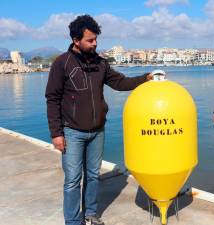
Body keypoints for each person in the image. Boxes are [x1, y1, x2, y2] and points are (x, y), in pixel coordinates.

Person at [45, 15, 152, 225]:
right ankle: (73, 221)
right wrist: (56, 133)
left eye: (95, 39)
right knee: (73, 180)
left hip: (97, 131)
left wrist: (145, 79)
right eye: (90, 40)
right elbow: (52, 99)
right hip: (72, 132)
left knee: (93, 175)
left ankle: (90, 214)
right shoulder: (62, 63)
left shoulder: (101, 64)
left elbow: (120, 83)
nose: (95, 44)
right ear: (76, 40)